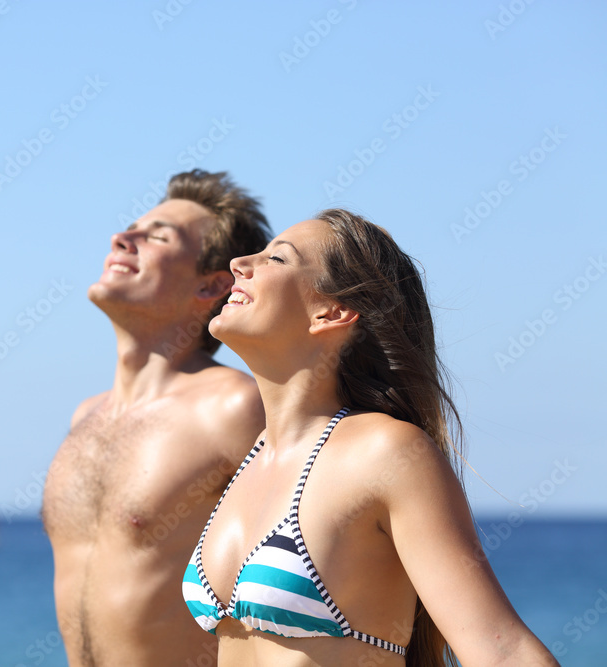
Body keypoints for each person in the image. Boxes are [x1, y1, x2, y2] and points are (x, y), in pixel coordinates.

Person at [182, 208, 559, 666]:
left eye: (276, 259)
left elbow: (502, 650)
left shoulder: (386, 453)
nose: (241, 263)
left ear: (333, 312)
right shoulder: (252, 459)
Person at [42, 170, 271, 666]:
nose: (123, 238)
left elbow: (317, 568)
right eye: (131, 228)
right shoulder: (87, 415)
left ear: (212, 284)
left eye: (158, 236)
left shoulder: (235, 407)